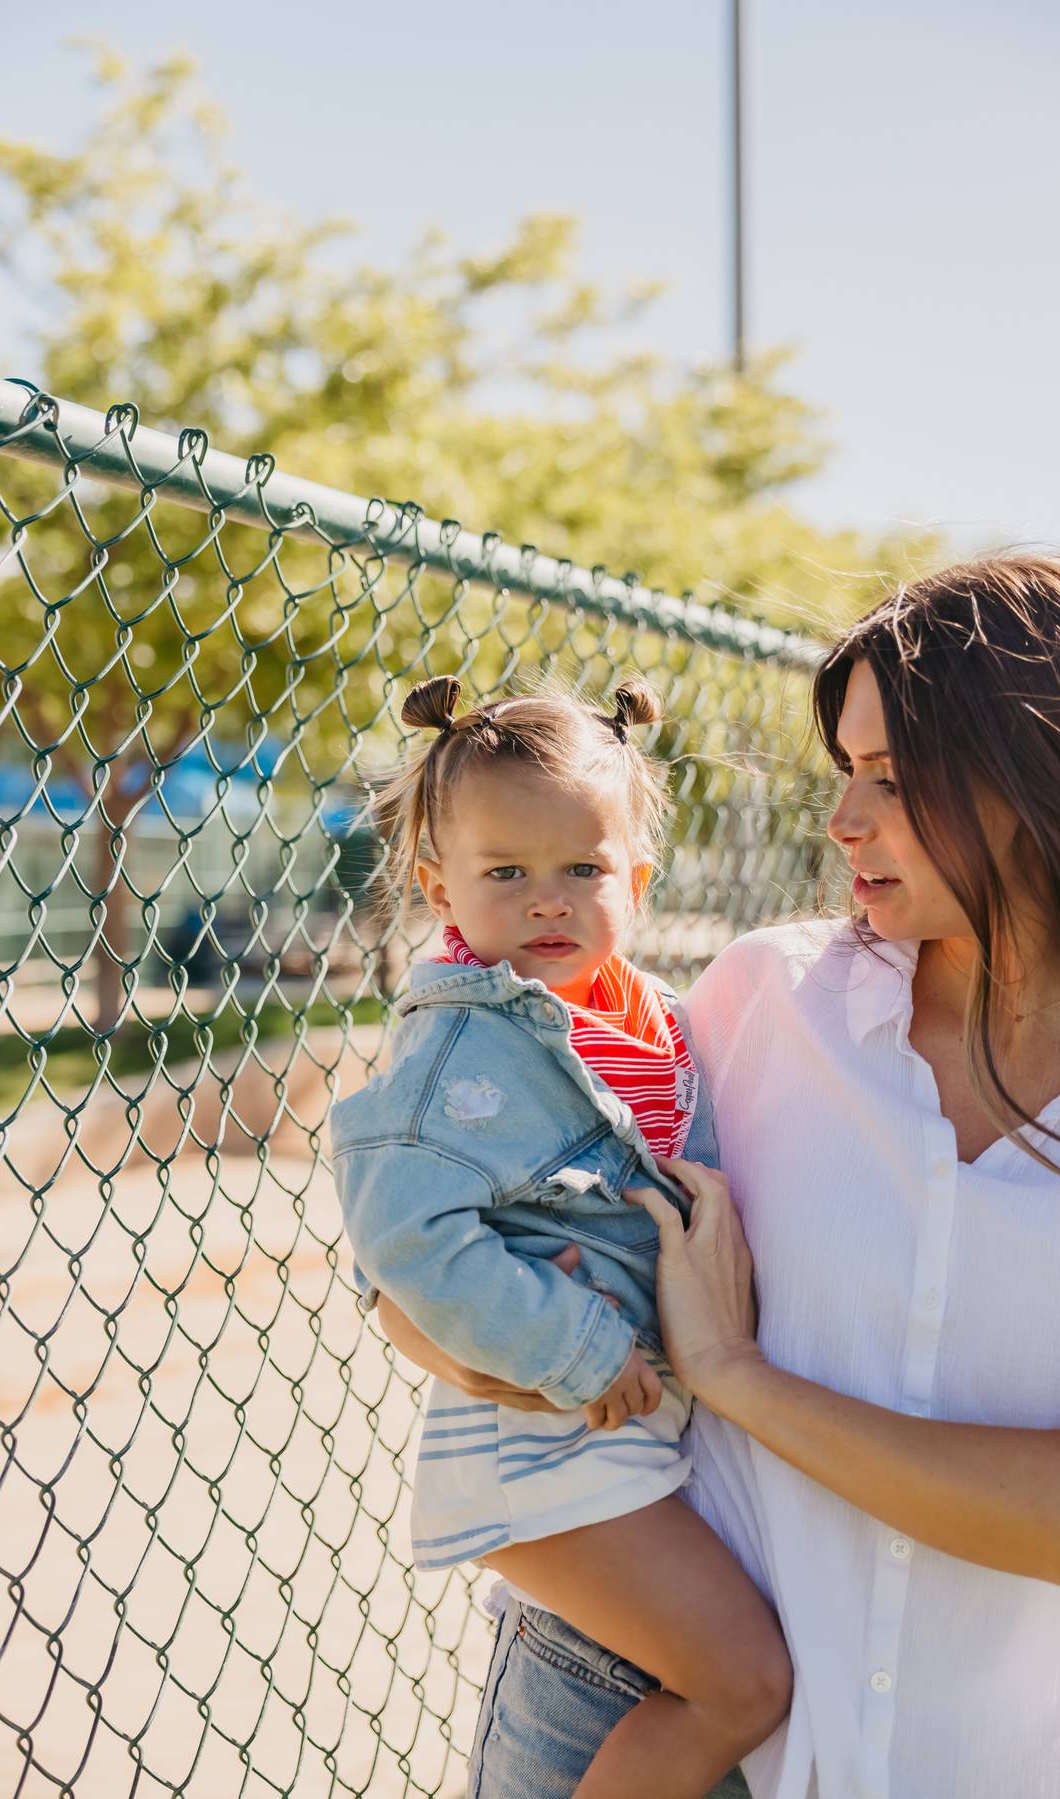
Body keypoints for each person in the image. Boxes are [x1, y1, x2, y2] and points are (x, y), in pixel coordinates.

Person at [377, 555, 1060, 1799]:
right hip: (634, 1695)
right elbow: (476, 1226)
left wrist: (739, 1378)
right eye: (846, 773)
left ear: (1046, 777)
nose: (844, 822)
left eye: (893, 780)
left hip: (964, 1758)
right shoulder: (758, 1000)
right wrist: (452, 1318)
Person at [330, 676, 792, 1797]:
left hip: (629, 1432)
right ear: (439, 885)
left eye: (582, 869)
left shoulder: (657, 1017)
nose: (549, 900)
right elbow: (409, 1240)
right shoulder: (461, 1048)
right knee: (743, 1682)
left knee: (739, 1676)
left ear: (635, 875)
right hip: (543, 1430)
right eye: (506, 873)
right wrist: (583, 1348)